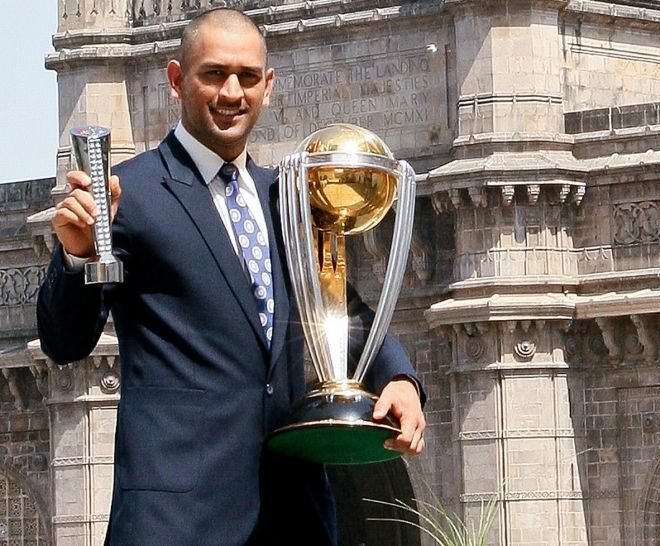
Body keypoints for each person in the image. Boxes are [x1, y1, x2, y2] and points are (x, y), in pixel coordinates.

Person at [37, 8, 425, 546]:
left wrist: (398, 376)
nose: (231, 92)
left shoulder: (288, 197)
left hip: (293, 518)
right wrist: (76, 255)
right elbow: (64, 341)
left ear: (268, 87)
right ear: (177, 81)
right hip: (176, 521)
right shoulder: (130, 192)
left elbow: (337, 303)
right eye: (213, 74)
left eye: (247, 77)